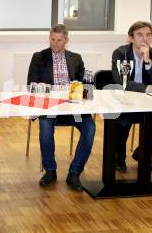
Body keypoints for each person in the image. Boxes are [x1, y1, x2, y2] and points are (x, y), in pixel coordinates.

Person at [27, 24, 95, 191]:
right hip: (50, 107)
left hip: (73, 107)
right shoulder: (38, 57)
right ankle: (50, 170)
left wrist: (84, 88)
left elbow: (84, 84)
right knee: (45, 126)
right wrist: (49, 90)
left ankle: (75, 172)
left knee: (90, 127)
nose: (55, 44)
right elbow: (31, 85)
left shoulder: (76, 58)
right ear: (49, 38)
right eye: (52, 40)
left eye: (59, 40)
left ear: (66, 40)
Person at [111, 21, 152, 172]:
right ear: (131, 38)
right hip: (124, 104)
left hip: (147, 105)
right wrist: (148, 88)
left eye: (148, 35)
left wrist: (147, 61)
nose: (144, 39)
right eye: (140, 35)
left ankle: (142, 153)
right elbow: (122, 82)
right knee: (122, 124)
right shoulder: (122, 53)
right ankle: (119, 158)